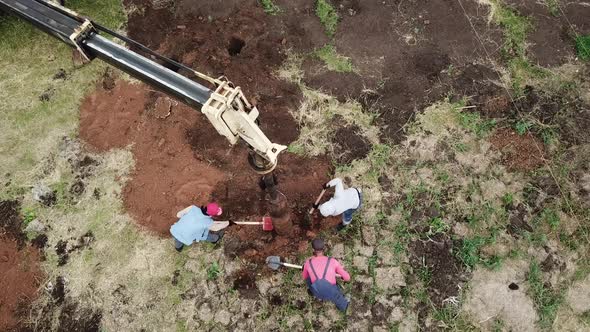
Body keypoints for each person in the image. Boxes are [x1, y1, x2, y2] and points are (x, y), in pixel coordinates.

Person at [302, 238, 351, 312]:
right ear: (324, 248)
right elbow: (347, 278)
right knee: (344, 304)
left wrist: (305, 269)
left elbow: (304, 277)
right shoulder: (332, 261)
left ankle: (312, 292)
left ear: (313, 249)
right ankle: (344, 307)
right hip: (331, 293)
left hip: (317, 292)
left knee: (308, 278)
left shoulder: (308, 263)